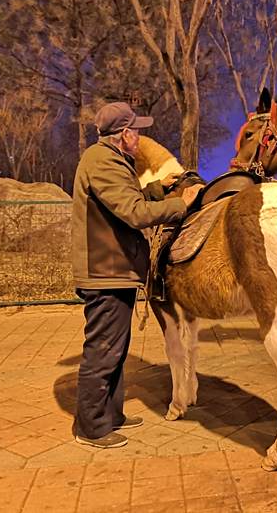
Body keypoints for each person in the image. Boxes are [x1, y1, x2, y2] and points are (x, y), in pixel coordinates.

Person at [71, 102, 203, 448]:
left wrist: (160, 189)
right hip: (106, 272)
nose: (140, 138)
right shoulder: (102, 162)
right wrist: (182, 205)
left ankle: (110, 414)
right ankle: (90, 427)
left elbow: (126, 199)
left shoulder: (109, 161)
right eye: (138, 131)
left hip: (115, 270)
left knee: (115, 350)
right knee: (102, 351)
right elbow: (132, 212)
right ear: (125, 134)